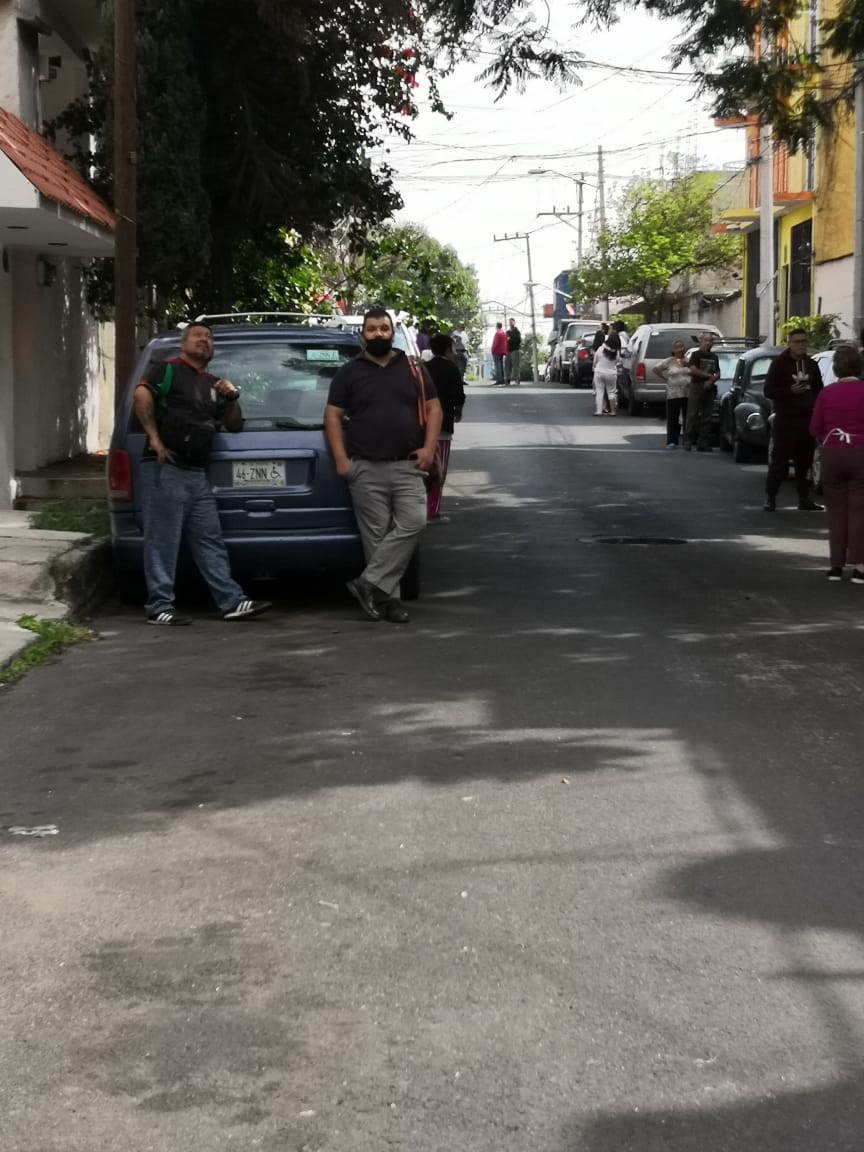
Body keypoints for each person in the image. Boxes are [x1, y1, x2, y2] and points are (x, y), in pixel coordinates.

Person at [133, 322, 271, 626]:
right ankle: (159, 607)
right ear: (184, 343)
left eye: (209, 337)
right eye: (198, 335)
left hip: (197, 473)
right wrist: (154, 439)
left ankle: (231, 602)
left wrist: (232, 396)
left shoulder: (212, 383)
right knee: (163, 541)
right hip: (165, 467)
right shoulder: (167, 369)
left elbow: (234, 424)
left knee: (210, 539)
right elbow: (142, 395)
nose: (204, 340)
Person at [325, 307, 442, 624]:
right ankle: (390, 603)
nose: (378, 333)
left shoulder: (413, 368)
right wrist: (341, 461)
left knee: (414, 523)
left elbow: (434, 409)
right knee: (375, 539)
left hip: (408, 466)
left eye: (384, 328)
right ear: (363, 334)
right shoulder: (349, 372)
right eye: (372, 329)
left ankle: (367, 583)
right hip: (365, 468)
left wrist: (429, 448)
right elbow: (332, 417)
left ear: (392, 332)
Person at [808, 344, 864, 581]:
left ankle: (836, 566)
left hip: (832, 453)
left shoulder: (826, 393)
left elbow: (814, 428)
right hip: (860, 452)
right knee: (859, 512)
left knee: (836, 512)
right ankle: (860, 567)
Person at [764, 328, 824, 511]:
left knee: (805, 461)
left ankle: (804, 498)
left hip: (806, 419)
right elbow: (769, 391)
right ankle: (771, 497)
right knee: (779, 461)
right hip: (786, 419)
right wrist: (790, 391)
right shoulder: (779, 364)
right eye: (797, 341)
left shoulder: (812, 365)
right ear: (789, 343)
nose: (801, 345)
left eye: (804, 341)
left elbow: (819, 390)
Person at [424, 333, 466, 522]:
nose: (455, 352)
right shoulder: (451, 369)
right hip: (442, 426)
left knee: (423, 469)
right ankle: (432, 511)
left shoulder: (425, 368)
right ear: (447, 349)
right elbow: (458, 396)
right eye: (453, 348)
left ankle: (418, 509)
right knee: (439, 469)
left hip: (423, 426)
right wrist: (458, 411)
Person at [685, 332, 721, 452]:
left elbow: (717, 372)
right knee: (692, 415)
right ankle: (688, 441)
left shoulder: (714, 357)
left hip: (709, 388)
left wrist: (712, 380)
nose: (708, 343)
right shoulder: (696, 355)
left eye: (710, 341)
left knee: (707, 416)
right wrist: (709, 377)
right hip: (696, 386)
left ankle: (703, 442)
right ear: (701, 341)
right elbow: (693, 370)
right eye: (706, 340)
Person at [655, 339, 690, 447]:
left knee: (687, 418)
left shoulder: (688, 360)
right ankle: (672, 440)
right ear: (673, 350)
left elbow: (694, 370)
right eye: (677, 347)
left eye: (681, 347)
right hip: (673, 393)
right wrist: (666, 379)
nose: (679, 349)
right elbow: (656, 369)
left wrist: (687, 364)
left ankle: (686, 440)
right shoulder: (669, 361)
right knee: (672, 418)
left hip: (687, 393)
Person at [592, 327, 619, 416]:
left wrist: (595, 367)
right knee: (611, 392)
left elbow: (595, 360)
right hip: (611, 373)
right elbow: (618, 362)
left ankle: (599, 411)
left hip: (599, 372)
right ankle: (613, 411)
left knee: (600, 392)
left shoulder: (601, 349)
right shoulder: (616, 352)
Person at [505, 318, 522, 386]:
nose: (511, 324)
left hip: (515, 350)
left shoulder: (516, 332)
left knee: (516, 366)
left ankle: (517, 379)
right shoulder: (507, 332)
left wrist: (510, 339)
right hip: (508, 351)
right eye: (510, 322)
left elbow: (518, 341)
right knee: (507, 366)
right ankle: (507, 379)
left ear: (514, 323)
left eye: (512, 322)